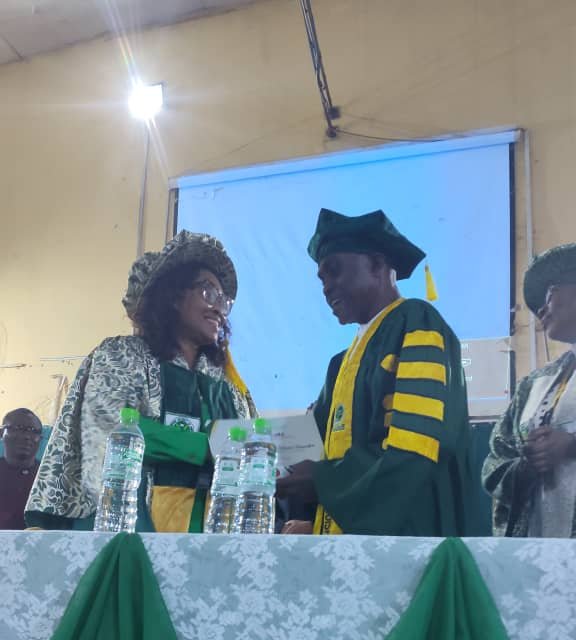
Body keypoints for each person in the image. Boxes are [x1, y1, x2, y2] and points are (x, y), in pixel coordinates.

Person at [26, 231, 256, 532]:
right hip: (127, 528)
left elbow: (252, 451)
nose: (219, 308)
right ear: (173, 296)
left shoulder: (228, 386)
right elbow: (111, 432)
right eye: (208, 292)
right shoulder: (122, 354)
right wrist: (208, 447)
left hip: (213, 537)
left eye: (225, 300)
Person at [277, 208, 471, 536]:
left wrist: (323, 480)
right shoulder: (341, 363)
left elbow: (415, 449)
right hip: (348, 543)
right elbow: (310, 446)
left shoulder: (416, 323)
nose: (326, 287)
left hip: (407, 543)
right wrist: (234, 447)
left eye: (334, 271)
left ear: (378, 265)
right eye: (321, 279)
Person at [483, 244, 576, 537]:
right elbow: (496, 462)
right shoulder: (533, 385)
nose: (540, 311)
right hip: (537, 556)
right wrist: (526, 465)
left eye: (549, 293)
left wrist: (570, 445)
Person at [0, 408, 42, 530]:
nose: (27, 436)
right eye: (18, 428)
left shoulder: (48, 478)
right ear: (2, 433)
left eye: (34, 431)